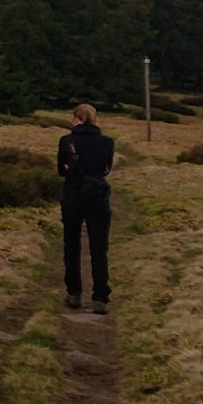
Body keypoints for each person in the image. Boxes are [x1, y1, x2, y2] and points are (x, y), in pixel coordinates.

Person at [57, 103, 115, 314]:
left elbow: (61, 170)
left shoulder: (67, 141)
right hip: (98, 197)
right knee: (99, 248)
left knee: (71, 244)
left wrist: (70, 168)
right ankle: (100, 297)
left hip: (73, 196)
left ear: (76, 118)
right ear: (95, 119)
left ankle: (74, 293)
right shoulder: (107, 142)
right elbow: (106, 169)